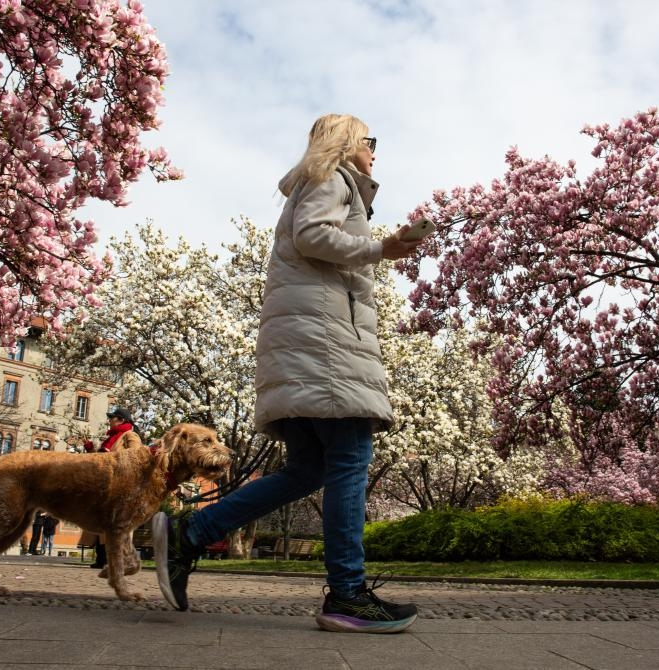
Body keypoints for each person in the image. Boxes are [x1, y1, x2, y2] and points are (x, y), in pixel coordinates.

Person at [152, 113, 422, 633]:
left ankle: (194, 531)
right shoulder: (332, 177)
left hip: (307, 348)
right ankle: (347, 594)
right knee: (348, 459)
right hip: (325, 349)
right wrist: (379, 248)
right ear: (349, 143)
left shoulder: (321, 182)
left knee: (308, 469)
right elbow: (314, 235)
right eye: (371, 141)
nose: (375, 152)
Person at [83, 407, 144, 568]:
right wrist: (91, 450)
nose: (109, 420)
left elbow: (136, 456)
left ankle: (119, 559)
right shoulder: (111, 438)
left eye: (112, 418)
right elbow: (101, 460)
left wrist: (113, 460)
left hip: (121, 485)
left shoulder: (130, 435)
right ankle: (102, 558)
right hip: (106, 485)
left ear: (121, 420)